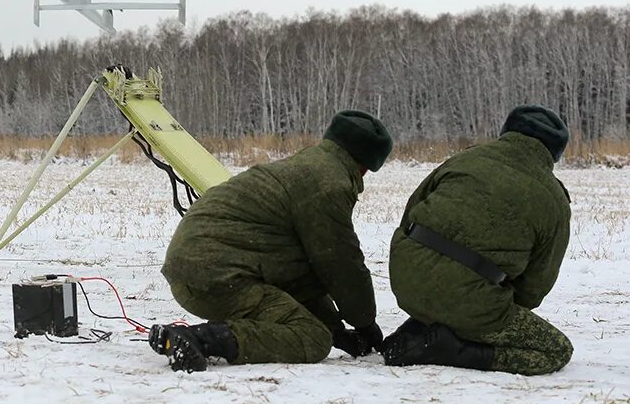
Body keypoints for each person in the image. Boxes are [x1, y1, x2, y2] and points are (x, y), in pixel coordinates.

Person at [148, 110, 393, 372]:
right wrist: (365, 322)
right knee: (311, 337)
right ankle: (198, 339)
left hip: (196, 267)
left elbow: (304, 273)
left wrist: (338, 331)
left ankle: (195, 338)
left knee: (315, 327)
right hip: (215, 275)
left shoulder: (310, 166)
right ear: (366, 166)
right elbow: (339, 263)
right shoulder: (328, 184)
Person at [381, 105, 573, 376]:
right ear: (555, 152)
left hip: (404, 280)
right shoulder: (554, 199)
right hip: (469, 302)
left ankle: (426, 324)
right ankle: (454, 349)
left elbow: (412, 210)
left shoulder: (465, 159)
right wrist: (484, 316)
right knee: (557, 351)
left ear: (507, 131)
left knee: (457, 290)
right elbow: (535, 287)